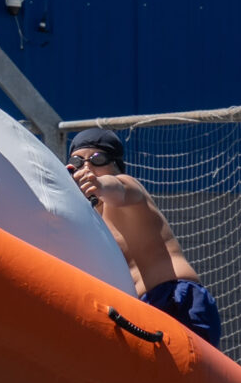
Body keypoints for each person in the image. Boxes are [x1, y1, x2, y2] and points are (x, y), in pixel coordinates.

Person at [65, 127, 223, 345]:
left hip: (175, 297)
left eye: (97, 159)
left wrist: (100, 184)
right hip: (138, 310)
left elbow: (118, 189)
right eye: (78, 161)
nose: (87, 168)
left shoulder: (128, 188)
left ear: (115, 165)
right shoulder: (90, 218)